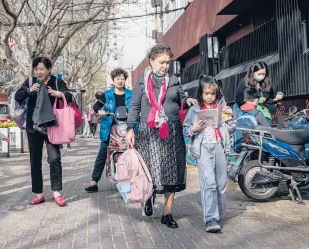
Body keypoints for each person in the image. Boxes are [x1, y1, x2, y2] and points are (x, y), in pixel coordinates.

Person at [125, 45, 198, 228]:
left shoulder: (173, 80)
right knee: (150, 172)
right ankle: (149, 197)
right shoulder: (141, 82)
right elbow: (134, 107)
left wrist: (187, 101)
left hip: (172, 132)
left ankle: (167, 213)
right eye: (162, 62)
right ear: (151, 61)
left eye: (168, 62)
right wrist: (130, 129)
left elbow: (182, 99)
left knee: (172, 174)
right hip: (148, 133)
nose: (165, 66)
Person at [15, 57, 72, 207]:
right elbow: (17, 96)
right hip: (33, 127)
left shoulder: (57, 82)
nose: (39, 72)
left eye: (42, 69)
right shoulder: (30, 82)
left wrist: (58, 94)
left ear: (49, 69)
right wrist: (29, 91)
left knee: (54, 159)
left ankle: (57, 192)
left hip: (53, 126)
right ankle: (38, 194)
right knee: (35, 161)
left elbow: (69, 96)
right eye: (36, 69)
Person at [183, 76, 234, 233]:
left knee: (221, 184)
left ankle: (218, 212)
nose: (209, 96)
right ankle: (211, 218)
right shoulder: (194, 110)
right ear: (201, 93)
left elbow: (232, 128)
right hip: (203, 148)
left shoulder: (222, 108)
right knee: (209, 183)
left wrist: (230, 116)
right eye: (206, 93)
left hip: (220, 146)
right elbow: (185, 129)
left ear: (217, 93)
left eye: (212, 93)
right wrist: (194, 128)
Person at [85, 68, 132, 193]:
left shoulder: (131, 94)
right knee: (102, 153)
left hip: (127, 128)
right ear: (113, 80)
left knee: (132, 153)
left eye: (122, 78)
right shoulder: (107, 94)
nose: (120, 81)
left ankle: (134, 179)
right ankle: (94, 181)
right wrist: (100, 111)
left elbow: (136, 107)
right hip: (110, 129)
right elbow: (96, 106)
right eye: (118, 79)